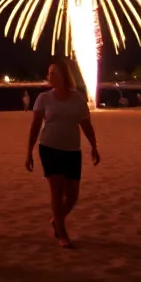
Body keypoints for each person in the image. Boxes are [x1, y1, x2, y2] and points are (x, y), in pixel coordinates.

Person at [25, 57, 100, 248]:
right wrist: (29, 151)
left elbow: (86, 124)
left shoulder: (77, 98)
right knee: (56, 190)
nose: (49, 76)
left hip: (72, 150)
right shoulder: (44, 98)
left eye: (53, 73)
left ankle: (56, 219)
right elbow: (35, 126)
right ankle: (61, 231)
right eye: (48, 73)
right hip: (49, 147)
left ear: (64, 75)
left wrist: (94, 146)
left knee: (73, 195)